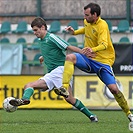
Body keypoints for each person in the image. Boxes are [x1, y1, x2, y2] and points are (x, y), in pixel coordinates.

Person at [54, 3, 133, 122]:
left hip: (103, 62)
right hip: (88, 59)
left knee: (114, 90)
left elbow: (104, 44)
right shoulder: (87, 21)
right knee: (70, 57)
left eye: (87, 15)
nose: (84, 17)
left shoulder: (102, 26)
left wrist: (92, 49)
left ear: (95, 15)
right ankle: (64, 88)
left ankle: (129, 114)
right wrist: (74, 32)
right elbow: (87, 29)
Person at [9, 17, 98, 122]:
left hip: (61, 70)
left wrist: (84, 53)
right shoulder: (41, 40)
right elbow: (50, 50)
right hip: (56, 72)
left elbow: (68, 46)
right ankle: (92, 116)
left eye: (36, 30)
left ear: (43, 27)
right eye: (33, 30)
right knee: (70, 99)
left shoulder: (51, 37)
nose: (34, 32)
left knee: (29, 86)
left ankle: (24, 100)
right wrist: (43, 57)